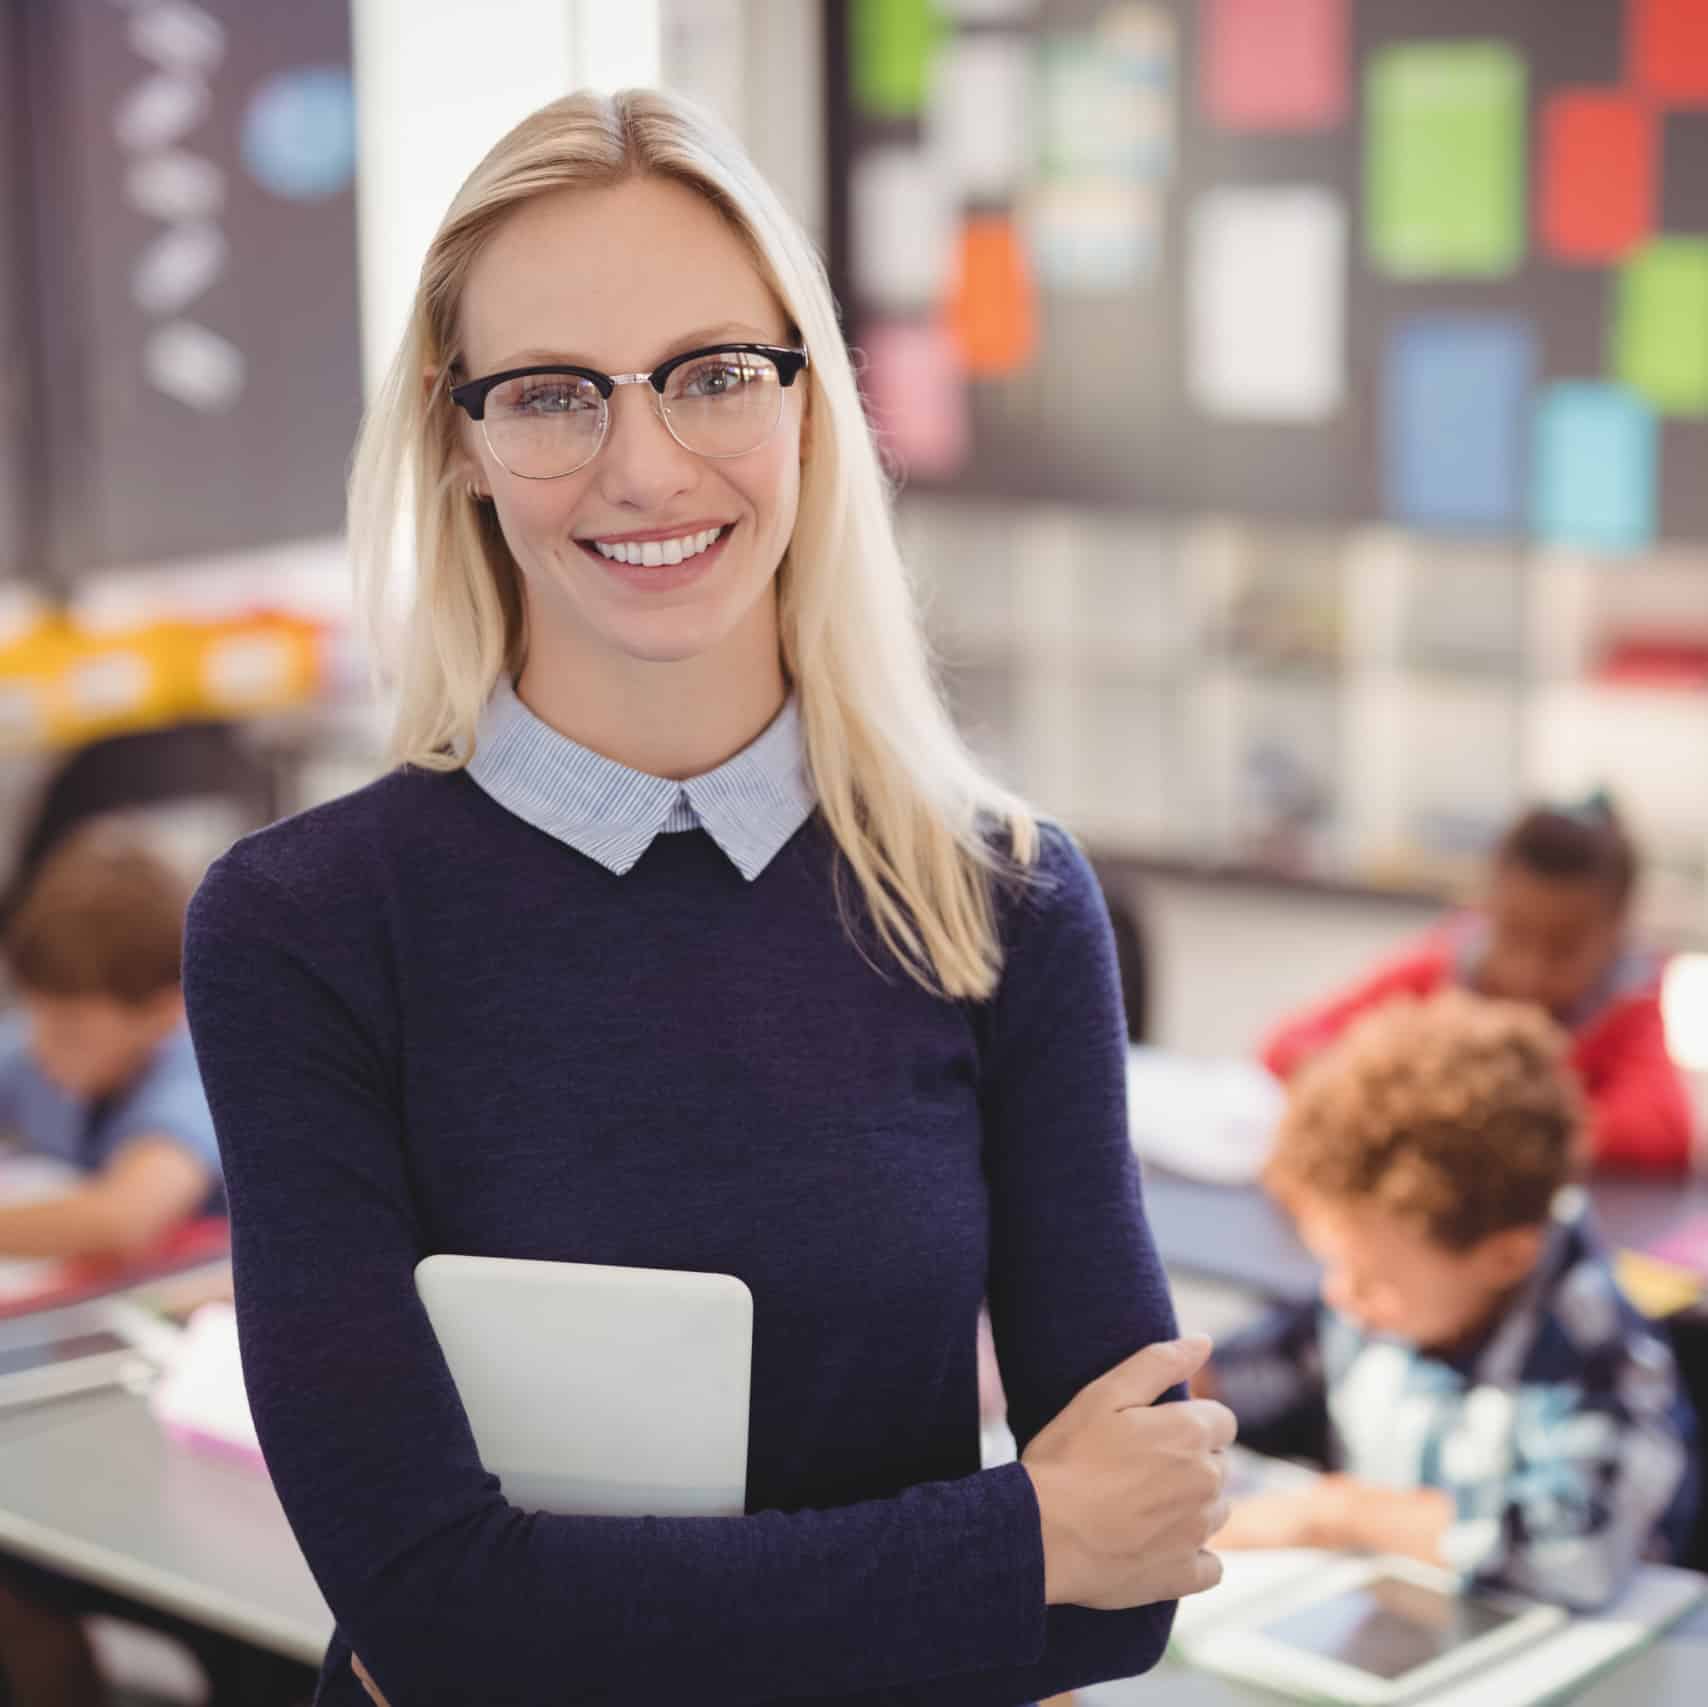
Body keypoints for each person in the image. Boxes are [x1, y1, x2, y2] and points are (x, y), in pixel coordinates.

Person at [181, 89, 1235, 1707]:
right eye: (549, 394)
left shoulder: (1001, 899)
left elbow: (1130, 1584)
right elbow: (431, 1611)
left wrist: (557, 1618)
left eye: (713, 373)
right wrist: (1016, 1539)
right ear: (459, 436)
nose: (644, 463)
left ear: (809, 399)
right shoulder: (303, 926)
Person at [1203, 990, 1698, 1609]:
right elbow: (1262, 1369)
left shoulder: (1591, 1347)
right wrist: (1185, 1388)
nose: (1341, 1297)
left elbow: (1577, 1552)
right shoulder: (1386, 1295)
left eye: (1370, 1279)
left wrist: (1340, 1516)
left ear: (1503, 1258)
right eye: (1333, 1265)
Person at [1261, 796, 1696, 1173]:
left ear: (1616, 936)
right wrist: (1388, 1095)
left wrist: (1495, 1121)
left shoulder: (1627, 1003)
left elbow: (1667, 1127)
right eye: (1514, 935)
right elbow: (1287, 1045)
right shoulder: (1436, 971)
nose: (1530, 971)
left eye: (1563, 949)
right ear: (1487, 911)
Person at [0, 824, 224, 1259]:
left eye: (71, 1031)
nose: (40, 1047)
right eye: (34, 1015)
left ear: (162, 1012)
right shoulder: (40, 1043)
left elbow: (124, 1220)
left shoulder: (198, 1076)